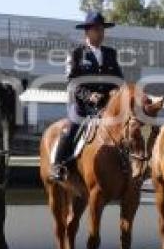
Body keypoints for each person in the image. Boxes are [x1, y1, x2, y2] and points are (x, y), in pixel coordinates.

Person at [50, 11, 124, 183]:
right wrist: (89, 95)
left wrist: (116, 92)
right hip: (82, 107)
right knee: (70, 130)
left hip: (106, 107)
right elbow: (72, 83)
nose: (101, 33)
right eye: (97, 30)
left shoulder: (110, 53)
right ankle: (58, 165)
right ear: (87, 32)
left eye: (102, 30)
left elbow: (119, 80)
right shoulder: (76, 53)